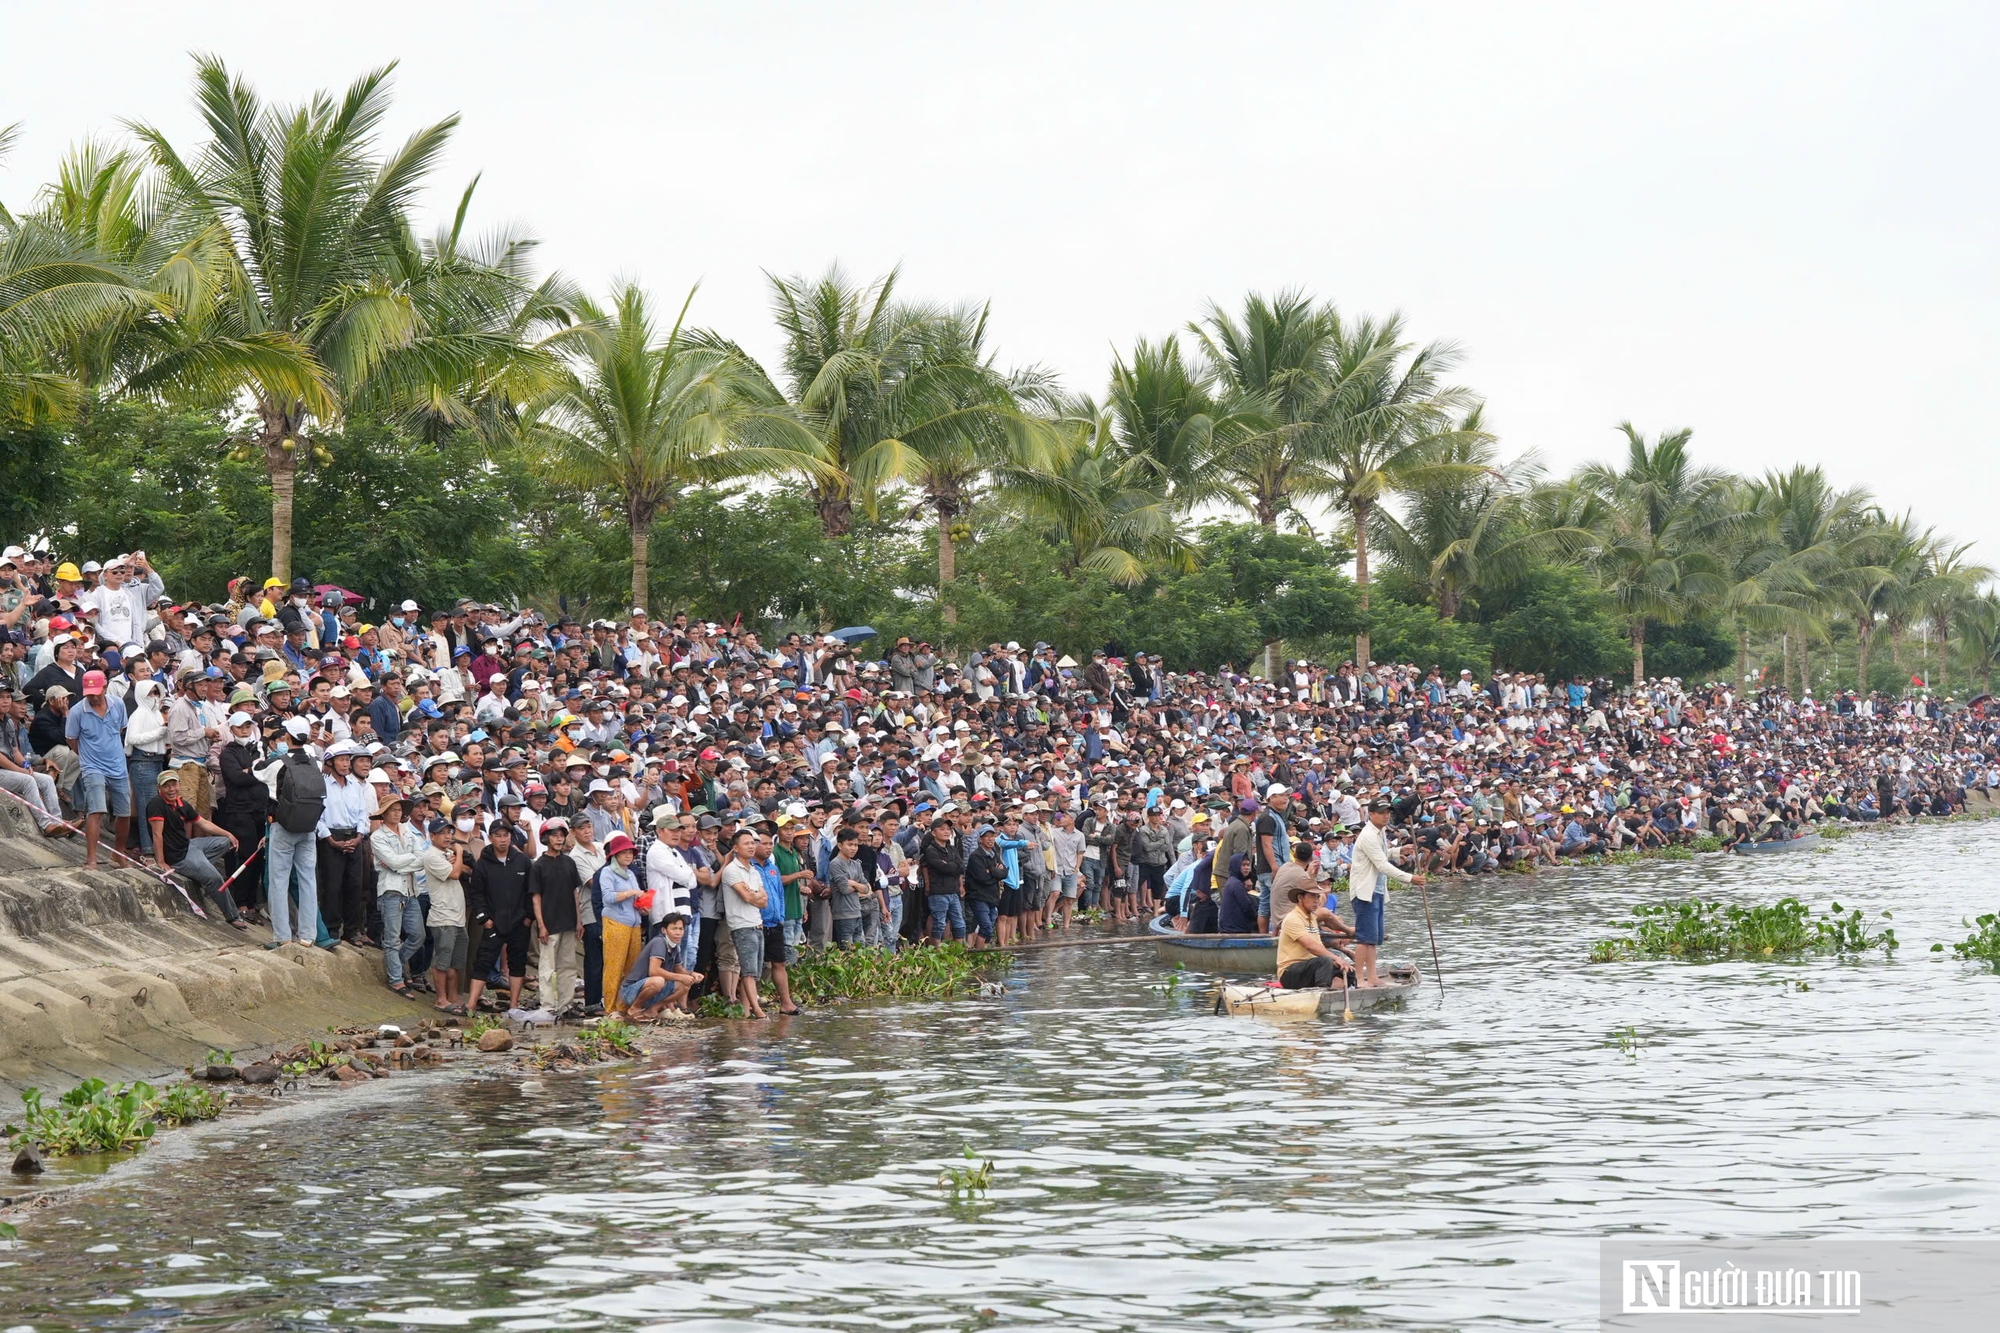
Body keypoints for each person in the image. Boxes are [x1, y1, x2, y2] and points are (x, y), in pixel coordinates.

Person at [146, 769, 246, 929]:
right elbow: (157, 834)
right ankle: (232, 915)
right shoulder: (156, 804)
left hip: (189, 845)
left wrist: (228, 834)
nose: (171, 789)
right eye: (167, 786)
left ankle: (200, 871)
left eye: (174, 785)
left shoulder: (182, 804)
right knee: (215, 878)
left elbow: (203, 823)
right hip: (179, 856)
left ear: (179, 785)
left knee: (223, 842)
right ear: (159, 788)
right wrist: (161, 861)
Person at [1350, 797, 1423, 987]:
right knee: (1364, 938)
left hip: (1377, 890)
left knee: (1373, 939)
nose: (1385, 816)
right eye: (1381, 813)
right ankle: (1359, 978)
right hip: (1365, 891)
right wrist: (1410, 878)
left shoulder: (1380, 832)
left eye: (1387, 813)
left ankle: (1372, 977)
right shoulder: (1367, 835)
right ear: (1371, 814)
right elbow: (1382, 865)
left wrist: (1398, 850)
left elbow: (1381, 854)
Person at [465, 820, 533, 1014]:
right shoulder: (483, 863)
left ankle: (514, 1004)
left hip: (520, 922)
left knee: (517, 962)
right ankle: (471, 1004)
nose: (503, 840)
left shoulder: (522, 861)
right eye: (498, 835)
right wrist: (484, 918)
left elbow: (532, 890)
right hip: (493, 922)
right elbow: (476, 893)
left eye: (506, 835)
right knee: (483, 961)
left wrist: (529, 916)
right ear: (490, 837)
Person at [65, 669, 129, 869]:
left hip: (118, 764)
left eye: (97, 692)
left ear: (105, 687)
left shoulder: (118, 704)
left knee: (124, 813)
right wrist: (86, 755)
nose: (93, 696)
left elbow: (120, 729)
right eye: (89, 693)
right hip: (93, 766)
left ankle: (118, 853)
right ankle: (91, 858)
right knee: (96, 810)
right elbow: (71, 739)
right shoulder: (77, 711)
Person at [369, 792, 427, 997]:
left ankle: (396, 966)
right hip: (391, 891)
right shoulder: (378, 836)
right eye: (392, 810)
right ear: (383, 814)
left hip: (410, 889)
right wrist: (404, 862)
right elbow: (399, 862)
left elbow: (420, 860)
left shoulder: (408, 831)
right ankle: (396, 979)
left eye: (398, 809)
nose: (396, 813)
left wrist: (399, 862)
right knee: (392, 938)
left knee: (418, 935)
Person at [530, 819, 585, 1018]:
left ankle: (566, 1005)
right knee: (547, 967)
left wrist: (578, 921)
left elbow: (575, 893)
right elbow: (536, 898)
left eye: (561, 835)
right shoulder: (538, 865)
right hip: (550, 924)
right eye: (554, 835)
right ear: (546, 838)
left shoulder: (569, 862)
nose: (559, 839)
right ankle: (547, 1006)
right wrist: (541, 926)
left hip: (569, 922)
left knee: (568, 966)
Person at [719, 828, 770, 1017]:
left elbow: (764, 900)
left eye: (753, 843)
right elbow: (747, 897)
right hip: (742, 925)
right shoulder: (732, 870)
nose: (751, 846)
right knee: (748, 971)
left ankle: (746, 1011)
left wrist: (753, 895)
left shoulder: (754, 870)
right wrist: (754, 895)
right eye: (746, 843)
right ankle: (758, 1011)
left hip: (757, 923)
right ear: (735, 847)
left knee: (753, 972)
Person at [421, 816, 469, 1014]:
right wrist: (458, 852)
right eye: (442, 833)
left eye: (449, 832)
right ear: (432, 836)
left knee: (456, 960)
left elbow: (465, 870)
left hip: (457, 916)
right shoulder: (431, 855)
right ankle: (440, 999)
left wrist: (456, 857)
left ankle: (453, 996)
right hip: (442, 916)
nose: (448, 837)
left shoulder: (448, 854)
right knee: (442, 960)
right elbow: (455, 874)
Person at [1274, 881, 1357, 990]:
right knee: (1325, 960)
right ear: (1300, 898)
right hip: (1290, 973)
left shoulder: (1312, 918)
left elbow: (1319, 946)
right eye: (1312, 897)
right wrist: (1336, 958)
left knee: (1349, 970)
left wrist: (1339, 962)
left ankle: (1340, 990)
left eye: (1318, 897)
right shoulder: (1292, 919)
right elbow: (1310, 946)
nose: (1316, 901)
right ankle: (1321, 992)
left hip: (1312, 968)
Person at [618, 913, 701, 1018]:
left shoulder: (675, 947)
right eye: (674, 929)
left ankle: (653, 1009)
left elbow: (679, 969)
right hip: (631, 991)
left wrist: (692, 974)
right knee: (658, 981)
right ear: (664, 930)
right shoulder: (659, 942)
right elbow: (654, 971)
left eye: (681, 929)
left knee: (685, 984)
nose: (678, 933)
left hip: (651, 989)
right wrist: (682, 977)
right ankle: (634, 1008)